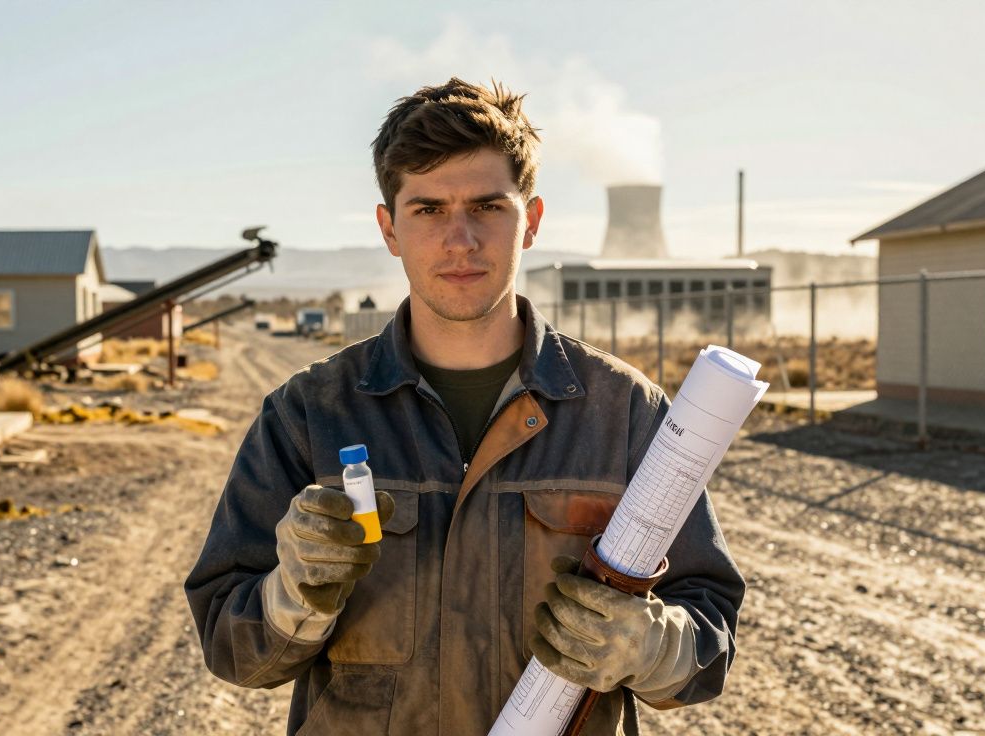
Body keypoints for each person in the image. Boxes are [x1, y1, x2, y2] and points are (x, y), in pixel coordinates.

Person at [184, 78, 745, 735]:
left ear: (531, 221)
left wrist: (654, 646)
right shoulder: (308, 414)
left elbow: (709, 626)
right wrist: (292, 596)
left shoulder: (623, 412)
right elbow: (231, 646)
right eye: (428, 209)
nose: (461, 239)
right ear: (389, 229)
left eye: (487, 206)